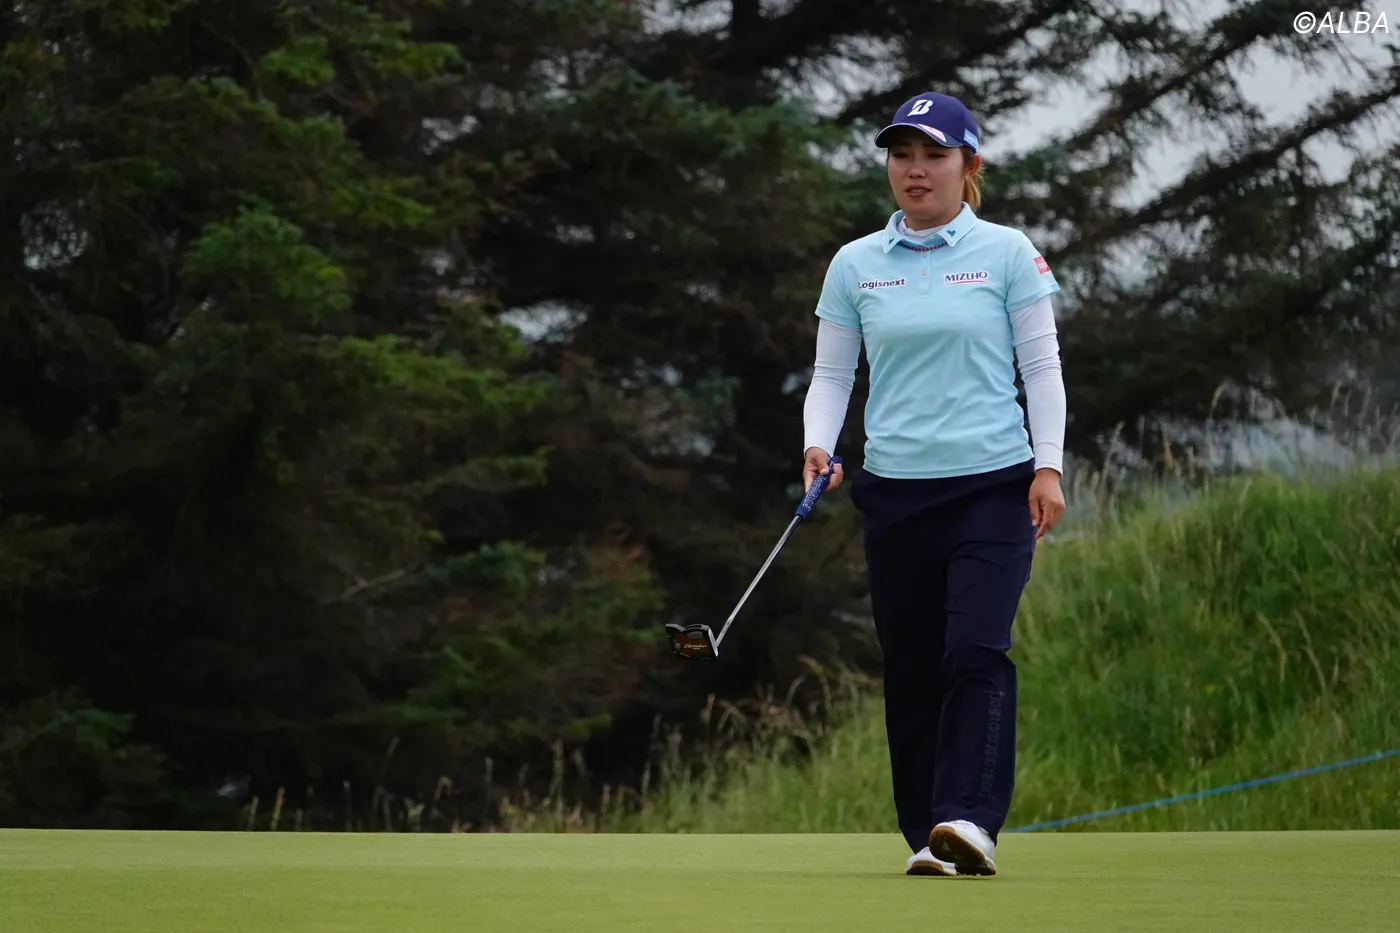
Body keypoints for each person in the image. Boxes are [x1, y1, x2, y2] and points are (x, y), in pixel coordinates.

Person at [801, 91, 1067, 877]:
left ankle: (971, 820)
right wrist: (818, 445)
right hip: (895, 494)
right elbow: (832, 375)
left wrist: (1048, 463)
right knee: (913, 665)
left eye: (933, 154)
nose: (914, 169)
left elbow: (1041, 366)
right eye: (901, 154)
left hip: (992, 488)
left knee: (975, 648)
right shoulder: (856, 264)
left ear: (967, 164)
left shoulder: (1007, 253)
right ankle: (928, 835)